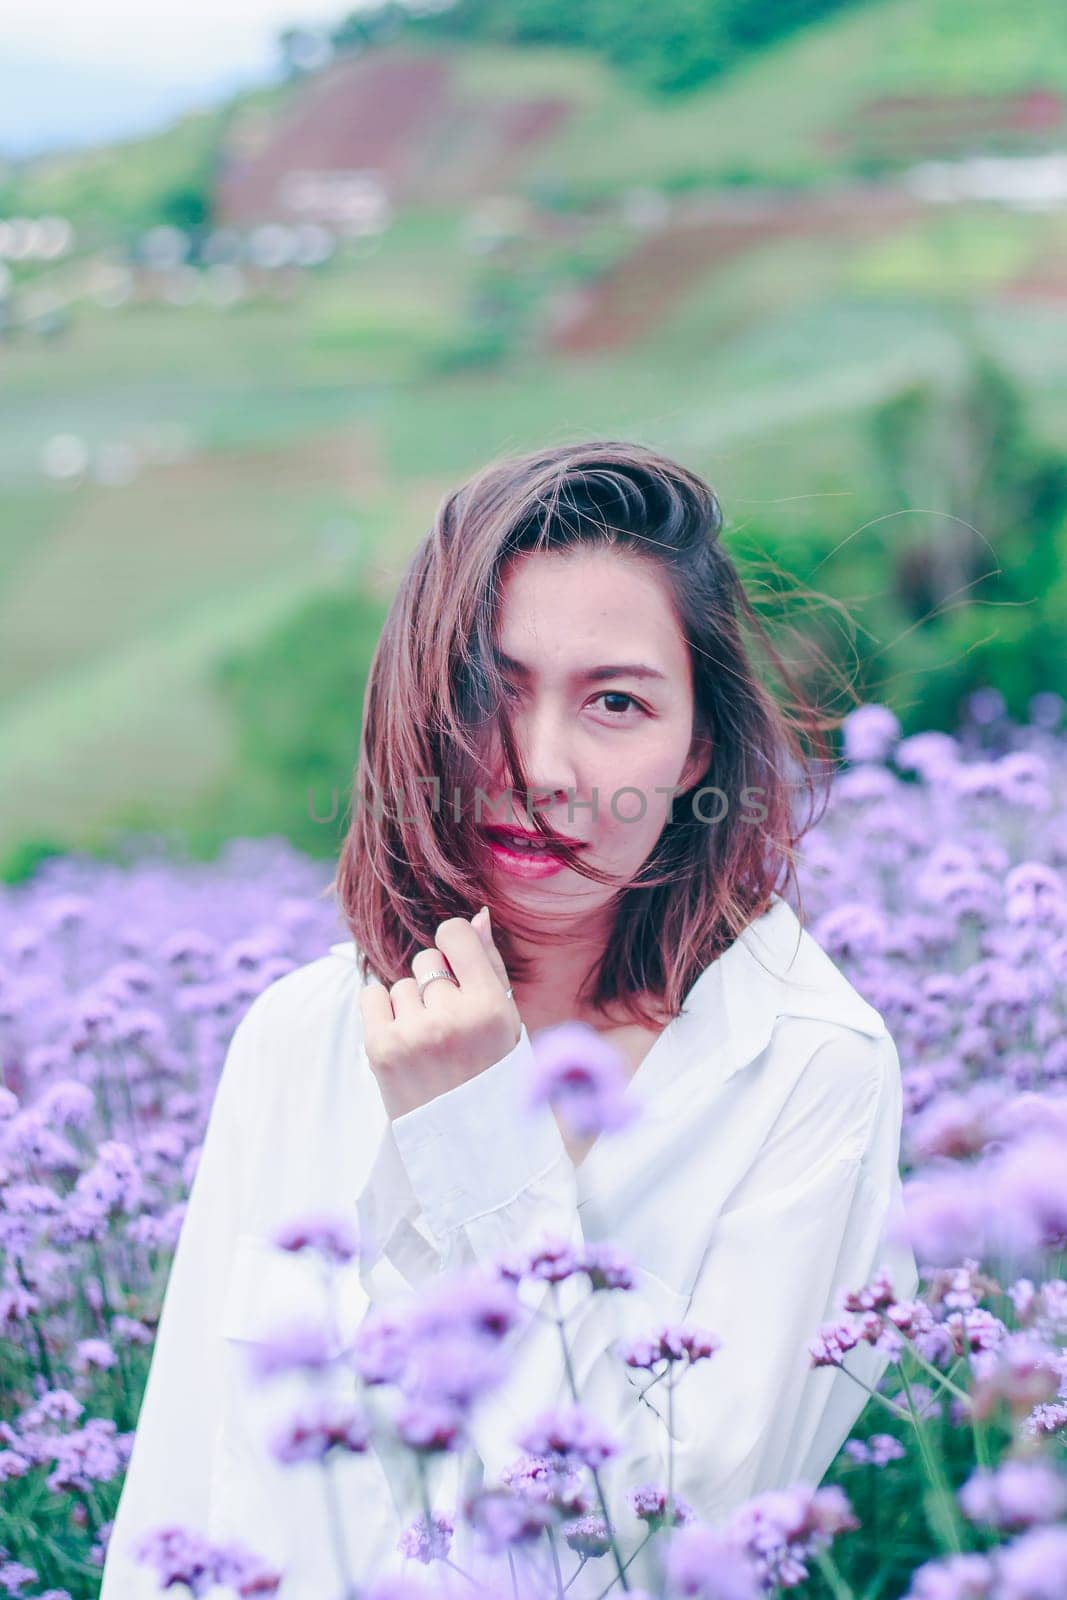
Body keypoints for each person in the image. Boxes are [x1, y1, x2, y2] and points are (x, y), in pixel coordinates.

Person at [99, 441, 918, 1599]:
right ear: (418, 705)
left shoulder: (803, 1067)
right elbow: (180, 1502)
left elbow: (652, 1559)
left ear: (694, 752)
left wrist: (485, 1144)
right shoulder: (299, 1033)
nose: (541, 767)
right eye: (489, 689)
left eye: (616, 703)